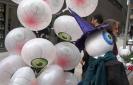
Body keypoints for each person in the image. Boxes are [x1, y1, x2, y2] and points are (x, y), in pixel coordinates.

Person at [81, 14, 104, 78]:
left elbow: (89, 46)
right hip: (98, 59)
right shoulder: (103, 30)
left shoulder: (94, 31)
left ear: (95, 20)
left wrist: (83, 58)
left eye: (92, 19)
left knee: (86, 77)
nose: (91, 21)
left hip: (90, 59)